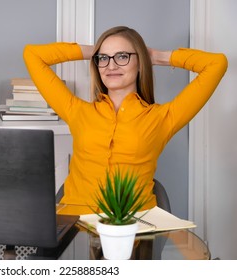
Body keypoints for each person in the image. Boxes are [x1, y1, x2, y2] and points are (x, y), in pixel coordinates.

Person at [23, 26, 228, 211]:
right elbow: (32, 55)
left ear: (140, 63)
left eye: (122, 56)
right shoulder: (77, 111)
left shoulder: (162, 118)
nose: (111, 66)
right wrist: (95, 52)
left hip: (135, 226)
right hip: (76, 227)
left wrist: (157, 57)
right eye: (104, 58)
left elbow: (216, 64)